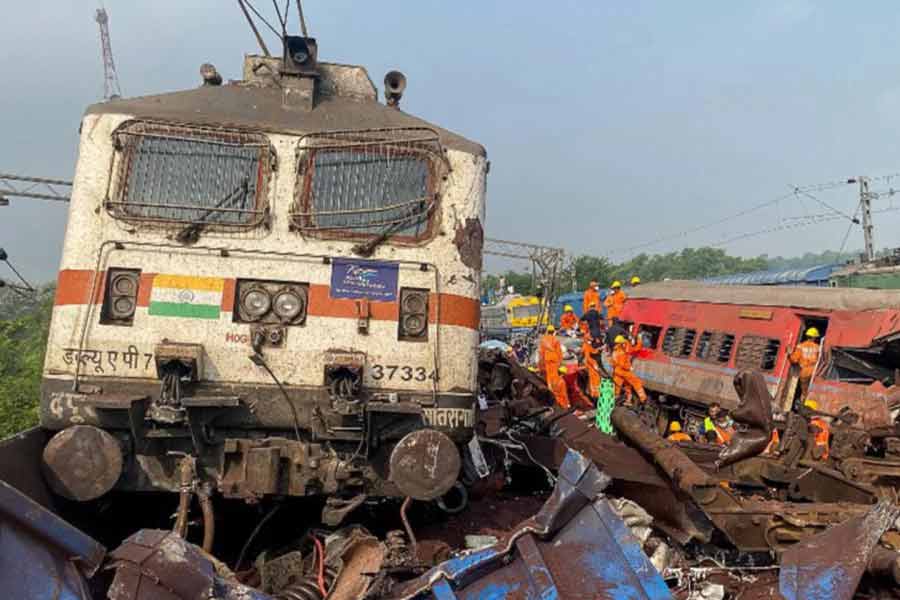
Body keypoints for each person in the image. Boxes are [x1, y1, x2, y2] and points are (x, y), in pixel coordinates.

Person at [789, 327, 822, 402]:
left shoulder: (800, 346)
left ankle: (802, 407)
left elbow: (794, 360)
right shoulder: (818, 348)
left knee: (804, 392)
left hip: (804, 372)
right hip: (815, 372)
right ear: (814, 337)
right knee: (812, 392)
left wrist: (790, 354)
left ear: (807, 336)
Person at [612, 335, 647, 405]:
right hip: (624, 371)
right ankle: (643, 398)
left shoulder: (615, 351)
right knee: (636, 382)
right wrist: (629, 367)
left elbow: (613, 362)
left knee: (624, 385)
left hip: (617, 371)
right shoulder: (622, 351)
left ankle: (627, 400)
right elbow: (635, 349)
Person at [539, 325, 563, 391]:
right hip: (554, 359)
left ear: (547, 331)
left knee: (548, 374)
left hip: (547, 359)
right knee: (554, 374)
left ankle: (550, 388)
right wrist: (560, 361)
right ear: (553, 332)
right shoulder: (556, 340)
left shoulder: (543, 340)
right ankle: (555, 388)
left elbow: (541, 352)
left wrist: (541, 362)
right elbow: (559, 352)